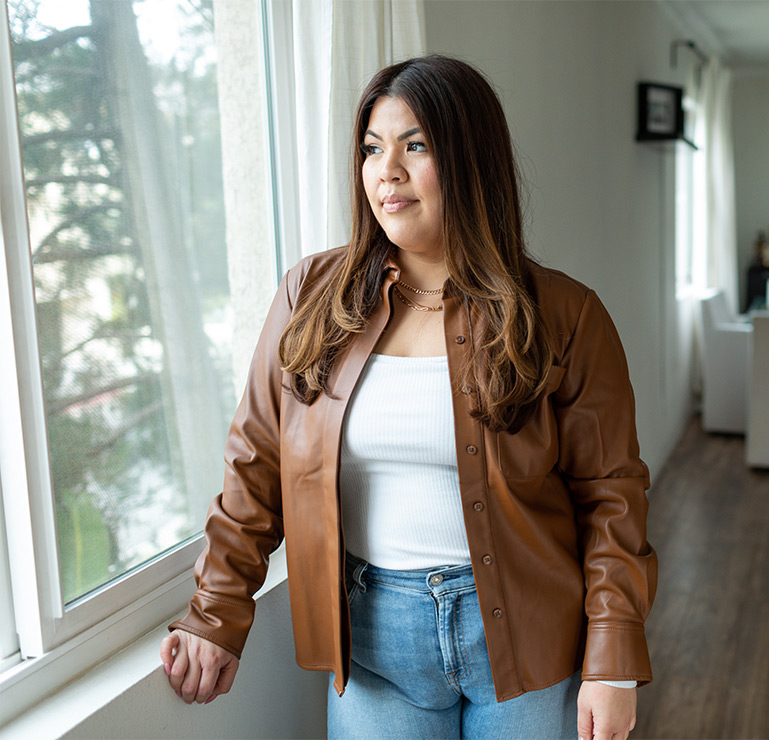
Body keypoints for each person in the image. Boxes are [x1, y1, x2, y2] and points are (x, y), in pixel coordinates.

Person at [160, 55, 656, 740]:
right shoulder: (311, 294)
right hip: (373, 645)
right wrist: (216, 612)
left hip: (528, 637)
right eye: (371, 148)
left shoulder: (565, 313)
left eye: (414, 144)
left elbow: (612, 495)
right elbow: (258, 458)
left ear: (470, 158)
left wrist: (612, 663)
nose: (385, 170)